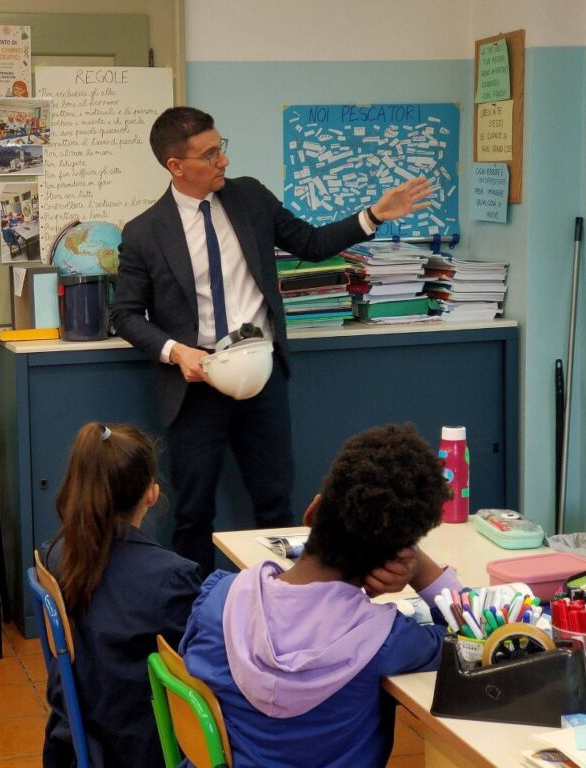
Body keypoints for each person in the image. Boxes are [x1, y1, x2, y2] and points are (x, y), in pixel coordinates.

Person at [111, 106, 433, 573]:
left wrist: (373, 215)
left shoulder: (250, 198)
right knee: (192, 514)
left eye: (221, 147)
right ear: (175, 165)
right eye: (209, 154)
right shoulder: (145, 232)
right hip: (194, 387)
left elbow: (311, 243)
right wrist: (176, 352)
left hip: (262, 376)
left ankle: (281, 603)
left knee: (275, 505)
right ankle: (193, 609)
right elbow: (123, 314)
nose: (223, 160)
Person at [179, 423, 459, 768]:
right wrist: (419, 570)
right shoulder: (385, 640)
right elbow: (476, 639)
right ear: (392, 557)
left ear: (312, 513)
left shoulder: (217, 599)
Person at [40, 422, 201, 767]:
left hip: (75, 737)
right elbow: (198, 673)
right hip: (137, 748)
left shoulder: (55, 555)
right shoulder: (170, 579)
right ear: (151, 494)